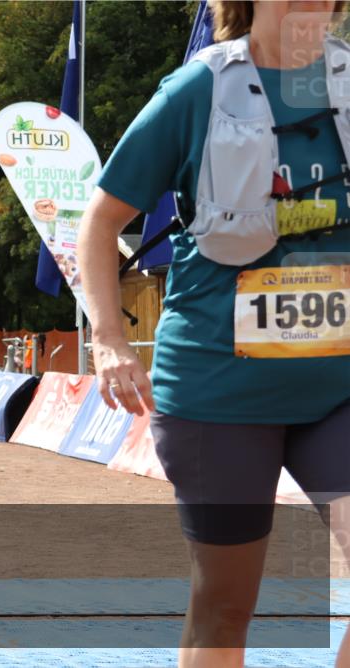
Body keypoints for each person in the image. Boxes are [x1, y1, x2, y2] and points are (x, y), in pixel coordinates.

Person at [78, 2, 350, 666]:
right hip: (218, 393)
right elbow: (98, 222)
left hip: (339, 385)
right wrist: (109, 337)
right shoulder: (198, 89)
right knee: (225, 608)